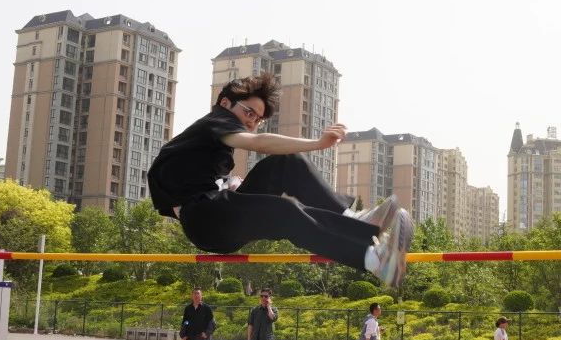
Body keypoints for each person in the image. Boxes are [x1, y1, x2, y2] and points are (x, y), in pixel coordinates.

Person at [147, 73, 413, 289]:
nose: (251, 123)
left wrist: (226, 186)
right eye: (249, 113)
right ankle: (374, 261)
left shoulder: (201, 143)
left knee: (286, 163)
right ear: (225, 103)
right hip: (205, 219)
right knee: (285, 211)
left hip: (215, 212)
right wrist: (318, 143)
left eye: (257, 120)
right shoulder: (216, 121)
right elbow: (259, 143)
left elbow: (175, 180)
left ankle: (357, 221)